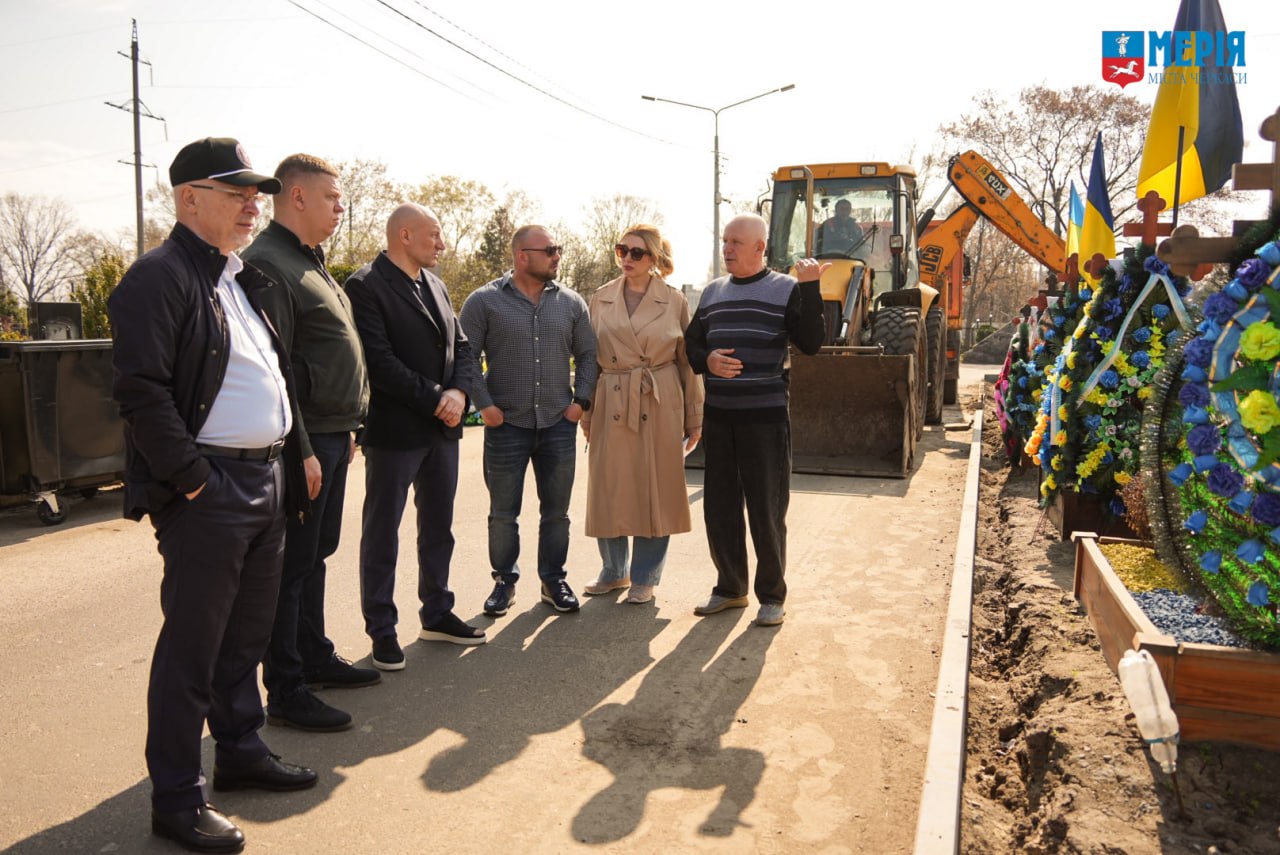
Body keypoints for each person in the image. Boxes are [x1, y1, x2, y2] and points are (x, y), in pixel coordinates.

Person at [108, 137, 317, 853]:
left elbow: (272, 377)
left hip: (264, 479)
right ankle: (176, 798)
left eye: (256, 195)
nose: (253, 206)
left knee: (244, 637)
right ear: (189, 198)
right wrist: (194, 479)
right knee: (192, 650)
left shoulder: (238, 277)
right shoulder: (158, 277)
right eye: (237, 194)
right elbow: (141, 392)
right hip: (212, 488)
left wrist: (294, 451)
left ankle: (241, 750)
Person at [242, 153, 378, 734]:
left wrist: (349, 429)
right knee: (292, 564)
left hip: (332, 432)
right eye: (332, 198)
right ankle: (287, 687)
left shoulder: (307, 260)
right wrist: (300, 448)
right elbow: (276, 369)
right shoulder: (270, 264)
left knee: (315, 553)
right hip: (307, 438)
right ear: (296, 197)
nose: (340, 207)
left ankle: (313, 654)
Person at [345, 204, 487, 672]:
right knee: (382, 532)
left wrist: (460, 392)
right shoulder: (365, 286)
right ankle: (382, 630)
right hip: (395, 432)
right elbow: (379, 361)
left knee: (439, 528)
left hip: (442, 431)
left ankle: (437, 613)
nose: (442, 244)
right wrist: (436, 398)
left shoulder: (436, 284)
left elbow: (462, 346)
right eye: (435, 234)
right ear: (404, 235)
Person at [685, 213, 826, 627]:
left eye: (735, 242)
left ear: (760, 248)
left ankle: (772, 596)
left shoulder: (785, 289)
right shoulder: (712, 293)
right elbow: (692, 345)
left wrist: (811, 287)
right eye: (725, 241)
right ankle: (730, 588)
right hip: (719, 418)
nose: (726, 248)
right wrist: (707, 360)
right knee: (720, 508)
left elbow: (811, 343)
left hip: (764, 420)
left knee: (766, 510)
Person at [459, 225, 598, 617]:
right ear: (522, 256)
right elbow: (465, 356)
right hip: (506, 426)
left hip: (558, 423)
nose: (557, 256)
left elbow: (588, 355)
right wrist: (484, 405)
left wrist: (580, 402)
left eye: (558, 249)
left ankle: (553, 581)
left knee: (557, 513)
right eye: (550, 250)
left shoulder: (571, 303)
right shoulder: (483, 301)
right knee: (503, 514)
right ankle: (504, 582)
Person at [580, 224, 704, 605]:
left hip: (659, 399)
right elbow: (589, 359)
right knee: (609, 487)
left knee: (656, 488)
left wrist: (694, 416)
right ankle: (614, 570)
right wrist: (586, 410)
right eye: (622, 250)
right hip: (611, 398)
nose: (627, 258)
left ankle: (646, 576)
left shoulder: (674, 300)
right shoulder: (600, 298)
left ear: (654, 258)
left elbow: (689, 363)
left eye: (637, 252)